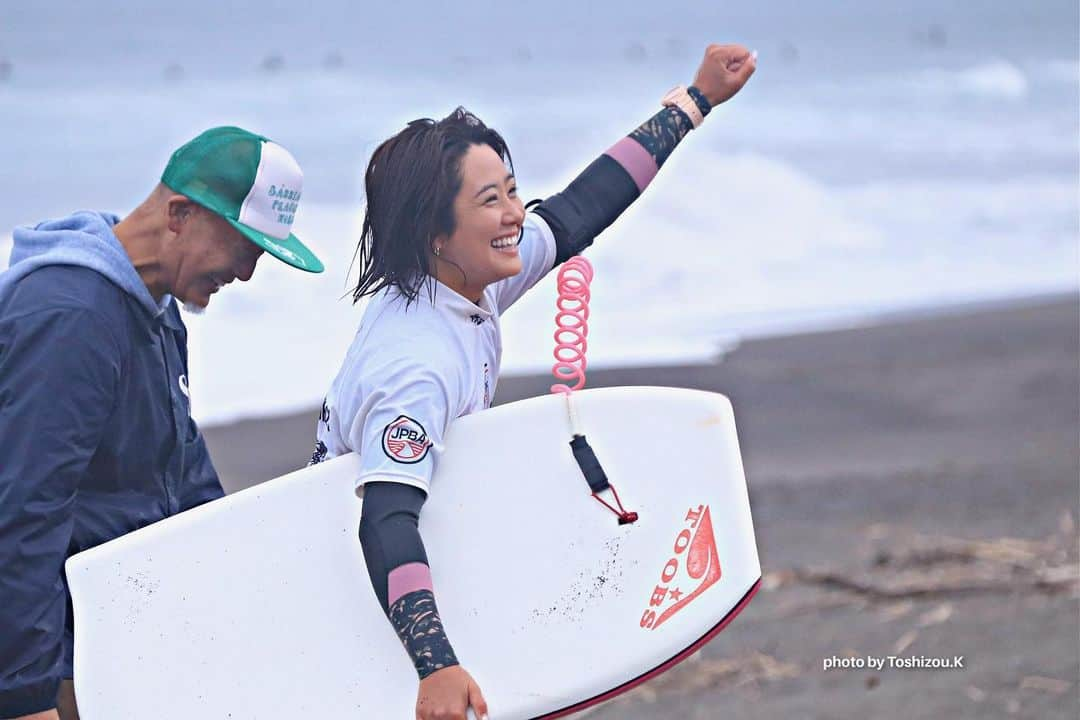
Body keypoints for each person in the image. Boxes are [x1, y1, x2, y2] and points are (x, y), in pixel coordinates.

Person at [312, 44, 755, 720]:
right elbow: (386, 520)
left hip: (412, 561)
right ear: (436, 232)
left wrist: (692, 103)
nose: (517, 213)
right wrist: (436, 667)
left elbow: (582, 209)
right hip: (359, 589)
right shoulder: (415, 364)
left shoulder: (460, 279)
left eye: (512, 190)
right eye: (492, 200)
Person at [0, 126, 324, 720]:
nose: (247, 275)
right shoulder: (72, 316)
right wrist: (24, 696)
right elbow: (24, 511)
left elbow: (183, 472)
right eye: (244, 248)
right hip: (60, 662)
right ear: (180, 213)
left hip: (129, 644)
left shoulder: (156, 308)